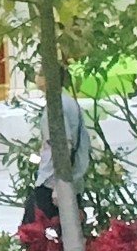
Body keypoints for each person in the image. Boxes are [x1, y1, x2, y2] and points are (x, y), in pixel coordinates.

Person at [23, 71, 89, 231]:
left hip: (53, 180)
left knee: (31, 232)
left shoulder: (57, 105)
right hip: (63, 178)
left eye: (40, 73)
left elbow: (64, 145)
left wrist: (59, 185)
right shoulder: (66, 102)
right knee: (65, 232)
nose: (36, 77)